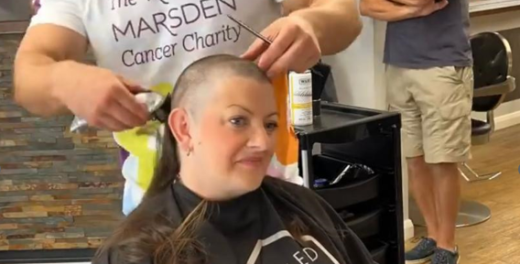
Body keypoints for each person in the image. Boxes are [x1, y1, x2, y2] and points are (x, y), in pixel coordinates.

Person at [13, 0, 362, 215]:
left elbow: (341, 8)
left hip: (270, 191)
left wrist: (312, 23)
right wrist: (67, 81)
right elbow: (29, 74)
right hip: (155, 208)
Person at [92, 55, 375, 264]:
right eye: (238, 121)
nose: (262, 142)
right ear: (184, 128)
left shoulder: (301, 204)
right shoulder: (136, 252)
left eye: (270, 124)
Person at [360, 0, 474, 263]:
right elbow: (365, 2)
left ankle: (446, 243)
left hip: (442, 65)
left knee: (444, 158)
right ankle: (429, 232)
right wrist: (410, 8)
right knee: (414, 156)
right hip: (399, 63)